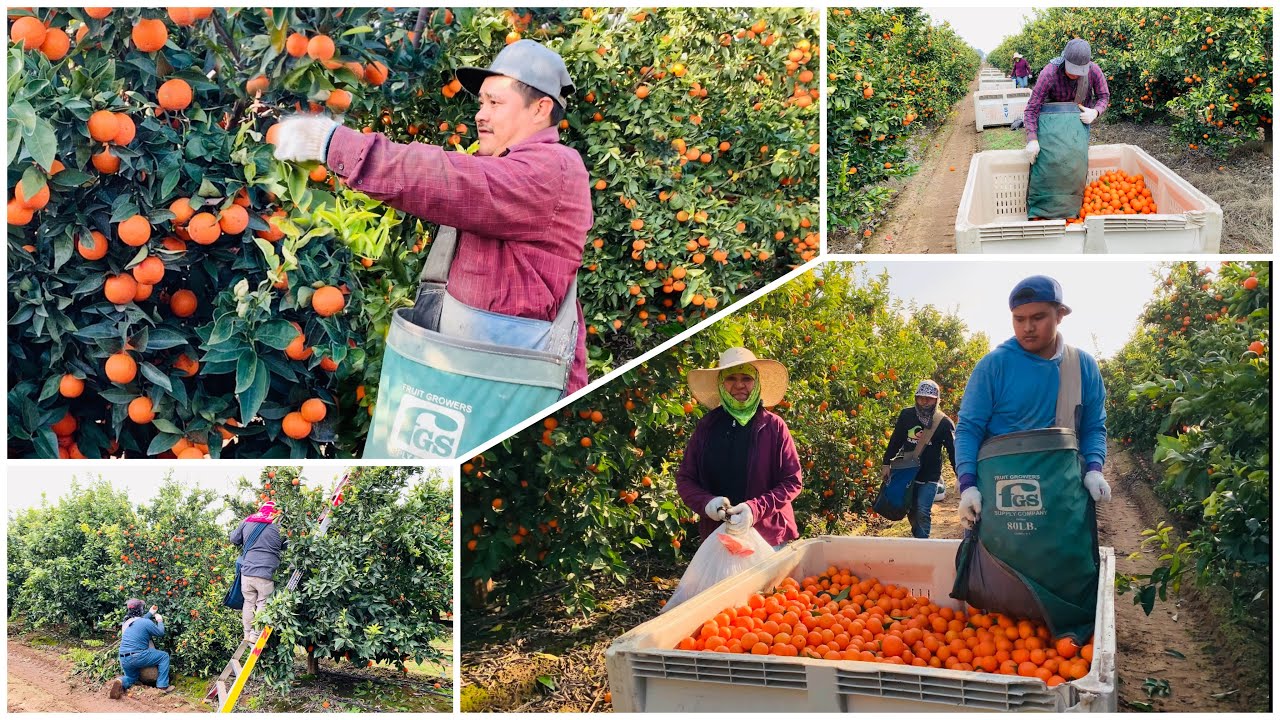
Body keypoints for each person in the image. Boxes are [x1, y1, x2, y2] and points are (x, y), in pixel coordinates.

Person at [272, 39, 592, 394]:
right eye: (481, 102)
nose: (480, 114)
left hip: (506, 390)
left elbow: (454, 182)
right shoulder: (507, 165)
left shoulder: (554, 170)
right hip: (477, 377)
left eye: (495, 102)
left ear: (540, 108)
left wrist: (334, 145)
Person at [955, 275, 1111, 525]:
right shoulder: (993, 366)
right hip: (1001, 495)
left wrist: (1093, 469)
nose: (1027, 327)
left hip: (1062, 494)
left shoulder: (1082, 367)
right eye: (1019, 319)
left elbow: (1093, 426)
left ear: (1059, 315)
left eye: (1038, 318)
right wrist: (968, 485)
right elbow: (968, 429)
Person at [676, 348, 801, 550]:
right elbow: (686, 479)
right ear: (721, 383)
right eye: (731, 378)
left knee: (772, 584)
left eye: (746, 378)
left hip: (768, 536)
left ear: (756, 382)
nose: (740, 385)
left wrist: (755, 509)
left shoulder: (774, 426)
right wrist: (708, 504)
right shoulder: (707, 427)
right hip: (720, 536)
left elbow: (792, 481)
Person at [880, 379, 957, 538]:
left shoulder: (943, 423)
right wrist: (886, 462)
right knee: (912, 510)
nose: (924, 402)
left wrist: (960, 474)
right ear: (916, 398)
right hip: (908, 473)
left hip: (930, 475)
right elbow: (896, 440)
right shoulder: (906, 415)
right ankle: (918, 539)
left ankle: (923, 543)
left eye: (929, 398)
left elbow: (953, 451)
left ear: (936, 399)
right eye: (921, 398)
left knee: (923, 509)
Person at [1022, 39, 1110, 165]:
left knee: (1076, 161)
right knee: (1051, 162)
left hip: (1079, 123)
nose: (1075, 74)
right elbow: (1032, 109)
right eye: (1072, 69)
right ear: (1064, 59)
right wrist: (1032, 139)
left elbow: (1104, 96)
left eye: (1080, 71)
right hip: (1052, 123)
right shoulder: (1049, 73)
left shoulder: (1094, 70)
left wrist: (1095, 112)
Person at [230, 501, 287, 642]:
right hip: (265, 573)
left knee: (249, 602)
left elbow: (234, 539)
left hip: (247, 572)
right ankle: (256, 635)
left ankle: (247, 634)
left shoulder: (248, 520)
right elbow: (286, 545)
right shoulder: (278, 526)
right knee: (263, 602)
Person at [107, 599, 173, 698]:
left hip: (123, 657)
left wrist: (151, 612)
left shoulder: (126, 622)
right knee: (164, 656)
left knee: (132, 677)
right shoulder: (145, 622)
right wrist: (159, 620)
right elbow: (160, 632)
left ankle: (120, 681)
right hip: (138, 656)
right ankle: (163, 686)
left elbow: (140, 621)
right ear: (140, 610)